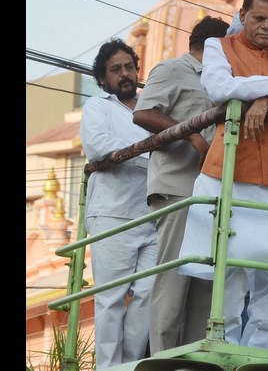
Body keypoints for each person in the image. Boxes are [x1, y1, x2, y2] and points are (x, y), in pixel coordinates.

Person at [177, 0, 268, 350]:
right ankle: (227, 350)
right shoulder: (218, 46)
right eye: (258, 19)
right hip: (230, 173)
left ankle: (259, 354)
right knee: (230, 271)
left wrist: (265, 100)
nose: (266, 27)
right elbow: (218, 86)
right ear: (242, 16)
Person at [132, 16, 229, 354]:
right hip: (178, 186)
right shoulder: (173, 68)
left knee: (204, 280)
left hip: (212, 191)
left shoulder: (221, 79)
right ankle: (162, 357)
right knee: (173, 278)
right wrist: (191, 135)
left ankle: (192, 358)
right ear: (216, 47)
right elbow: (143, 112)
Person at [79, 38, 158, 369]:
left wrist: (145, 145)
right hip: (112, 214)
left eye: (129, 67)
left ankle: (127, 366)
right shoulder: (98, 107)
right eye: (115, 69)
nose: (124, 74)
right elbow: (98, 146)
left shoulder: (152, 109)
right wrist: (153, 146)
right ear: (102, 78)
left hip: (154, 214)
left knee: (149, 295)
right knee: (111, 298)